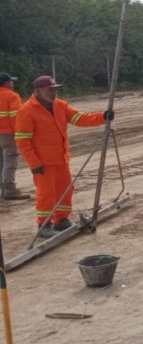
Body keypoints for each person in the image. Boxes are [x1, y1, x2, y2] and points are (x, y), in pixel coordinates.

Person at [14, 75, 112, 237]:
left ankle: (61, 220)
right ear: (37, 91)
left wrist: (102, 117)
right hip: (43, 163)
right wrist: (34, 163)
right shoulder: (27, 110)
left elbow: (79, 118)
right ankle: (44, 224)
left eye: (55, 89)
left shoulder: (60, 106)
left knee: (65, 191)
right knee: (46, 194)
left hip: (61, 159)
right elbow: (23, 140)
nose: (53, 92)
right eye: (49, 89)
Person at [0, 73, 31, 201]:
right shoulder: (12, 96)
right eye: (11, 81)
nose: (13, 83)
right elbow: (16, 117)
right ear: (6, 83)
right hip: (7, 133)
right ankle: (9, 189)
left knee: (1, 161)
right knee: (10, 159)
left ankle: (4, 189)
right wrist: (19, 133)